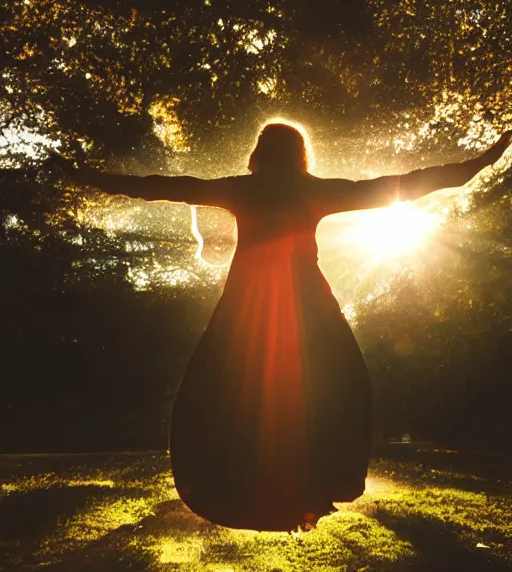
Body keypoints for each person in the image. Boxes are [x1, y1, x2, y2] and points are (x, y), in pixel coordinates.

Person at [51, 123, 512, 531]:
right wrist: (483, 160)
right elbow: (407, 185)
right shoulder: (308, 190)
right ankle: (311, 483)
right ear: (299, 154)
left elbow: (163, 186)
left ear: (261, 152)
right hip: (303, 302)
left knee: (235, 389)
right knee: (334, 384)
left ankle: (272, 486)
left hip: (251, 304)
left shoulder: (246, 189)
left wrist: (88, 177)